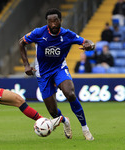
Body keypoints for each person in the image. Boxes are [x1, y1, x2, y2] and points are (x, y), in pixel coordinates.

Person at [19, 8, 95, 141]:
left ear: (61, 20)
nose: (53, 24)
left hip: (59, 69)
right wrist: (26, 64)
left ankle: (85, 129)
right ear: (47, 22)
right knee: (53, 112)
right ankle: (65, 121)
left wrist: (91, 46)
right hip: (43, 73)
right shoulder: (38, 32)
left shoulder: (67, 35)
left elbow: (88, 42)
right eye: (50, 21)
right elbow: (21, 43)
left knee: (70, 94)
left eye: (56, 21)